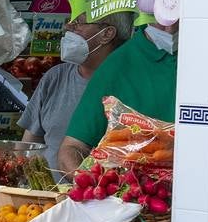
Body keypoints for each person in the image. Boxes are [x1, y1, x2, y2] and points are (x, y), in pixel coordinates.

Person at [19, 2, 134, 170]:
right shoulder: (55, 77)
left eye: (79, 22)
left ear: (107, 34)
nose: (68, 26)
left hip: (100, 193)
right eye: (70, 20)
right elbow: (29, 146)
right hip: (50, 195)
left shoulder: (129, 83)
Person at [57, 19, 179, 175]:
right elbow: (72, 147)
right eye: (161, 17)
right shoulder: (118, 65)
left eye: (178, 17)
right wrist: (89, 184)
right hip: (130, 195)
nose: (169, 27)